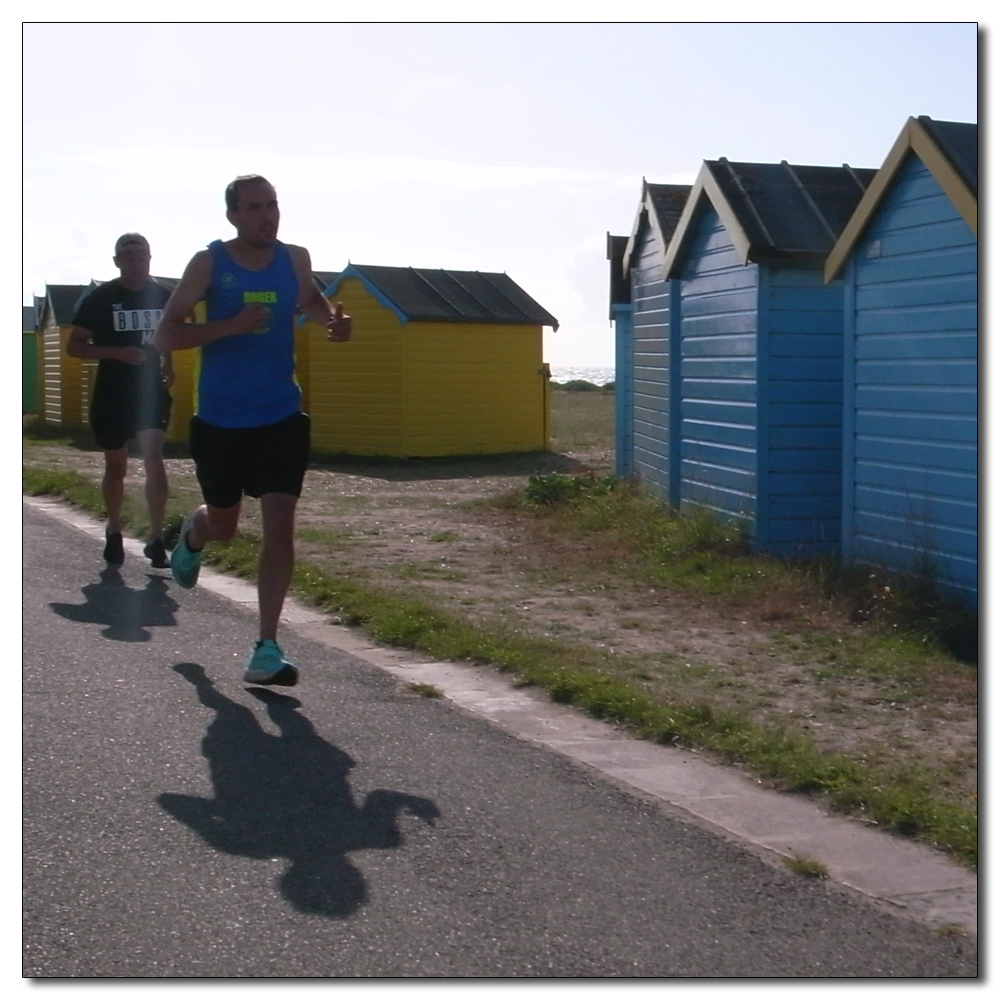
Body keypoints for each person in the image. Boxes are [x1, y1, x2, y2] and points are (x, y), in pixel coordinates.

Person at [154, 175, 351, 687]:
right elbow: (165, 334)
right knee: (225, 525)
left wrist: (333, 321)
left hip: (280, 414)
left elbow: (309, 300)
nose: (268, 216)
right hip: (220, 418)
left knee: (280, 516)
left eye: (273, 205)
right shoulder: (209, 264)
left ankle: (266, 647)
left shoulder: (295, 258)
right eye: (255, 208)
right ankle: (194, 533)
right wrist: (230, 326)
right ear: (234, 216)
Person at [67, 233, 174, 568]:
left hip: (151, 391)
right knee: (117, 466)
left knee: (154, 459)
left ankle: (156, 538)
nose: (136, 262)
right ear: (117, 261)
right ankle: (114, 528)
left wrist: (169, 363)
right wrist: (113, 352)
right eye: (128, 256)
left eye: (142, 256)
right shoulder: (101, 298)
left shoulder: (164, 295)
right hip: (113, 391)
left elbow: (168, 333)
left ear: (151, 259)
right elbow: (75, 345)